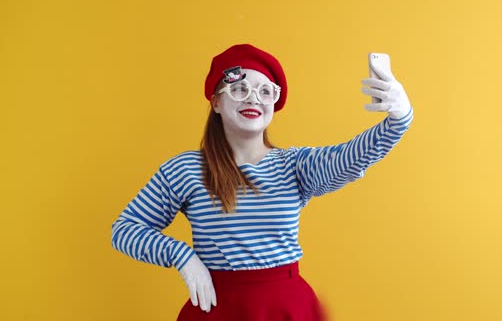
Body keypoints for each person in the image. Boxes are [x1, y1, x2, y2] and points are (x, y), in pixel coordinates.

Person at [111, 43, 414, 320]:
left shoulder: (295, 165)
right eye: (239, 89)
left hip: (289, 308)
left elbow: (350, 157)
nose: (253, 98)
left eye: (265, 91)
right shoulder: (186, 169)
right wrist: (183, 257)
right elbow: (125, 230)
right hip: (219, 308)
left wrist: (399, 119)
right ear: (216, 102)